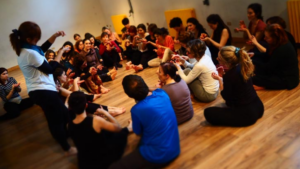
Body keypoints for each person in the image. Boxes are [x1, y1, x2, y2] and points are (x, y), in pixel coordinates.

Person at [9, 21, 76, 155]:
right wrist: (61, 51)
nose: (38, 41)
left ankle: (66, 135)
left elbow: (42, 48)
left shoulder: (26, 48)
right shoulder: (29, 53)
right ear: (28, 39)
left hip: (42, 90)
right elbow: (51, 69)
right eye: (36, 38)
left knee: (63, 113)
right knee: (55, 119)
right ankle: (66, 147)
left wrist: (55, 36)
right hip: (42, 92)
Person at [109, 75, 180, 169]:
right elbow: (153, 90)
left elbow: (138, 132)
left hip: (158, 155)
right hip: (175, 148)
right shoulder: (162, 93)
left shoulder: (136, 109)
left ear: (129, 95)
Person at [204, 46, 264, 126]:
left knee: (208, 112)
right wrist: (222, 76)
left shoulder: (229, 75)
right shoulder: (242, 67)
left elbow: (225, 96)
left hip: (247, 115)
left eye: (219, 59)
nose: (217, 59)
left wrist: (219, 80)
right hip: (259, 107)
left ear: (227, 62)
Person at [68, 91, 130, 169]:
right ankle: (129, 128)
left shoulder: (70, 125)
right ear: (86, 105)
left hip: (85, 163)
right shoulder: (95, 120)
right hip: (102, 160)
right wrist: (106, 113)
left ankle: (128, 128)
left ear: (70, 107)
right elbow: (118, 128)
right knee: (121, 134)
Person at [250, 24, 299, 90]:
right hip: (283, 75)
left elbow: (268, 67)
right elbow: (269, 54)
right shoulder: (282, 42)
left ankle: (265, 86)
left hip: (287, 80)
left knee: (252, 78)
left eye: (267, 37)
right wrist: (254, 54)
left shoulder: (282, 49)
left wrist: (251, 61)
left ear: (275, 38)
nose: (264, 39)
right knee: (256, 72)